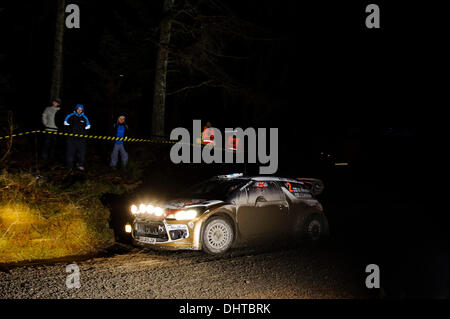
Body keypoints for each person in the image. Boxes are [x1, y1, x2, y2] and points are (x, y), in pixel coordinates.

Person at [64, 104, 91, 170]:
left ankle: (80, 164)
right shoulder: (70, 116)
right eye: (78, 109)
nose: (79, 111)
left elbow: (88, 128)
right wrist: (69, 133)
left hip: (81, 139)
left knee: (82, 153)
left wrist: (83, 135)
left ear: (82, 110)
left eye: (81, 110)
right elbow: (65, 125)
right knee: (70, 152)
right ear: (76, 109)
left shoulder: (85, 118)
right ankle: (69, 166)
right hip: (71, 139)